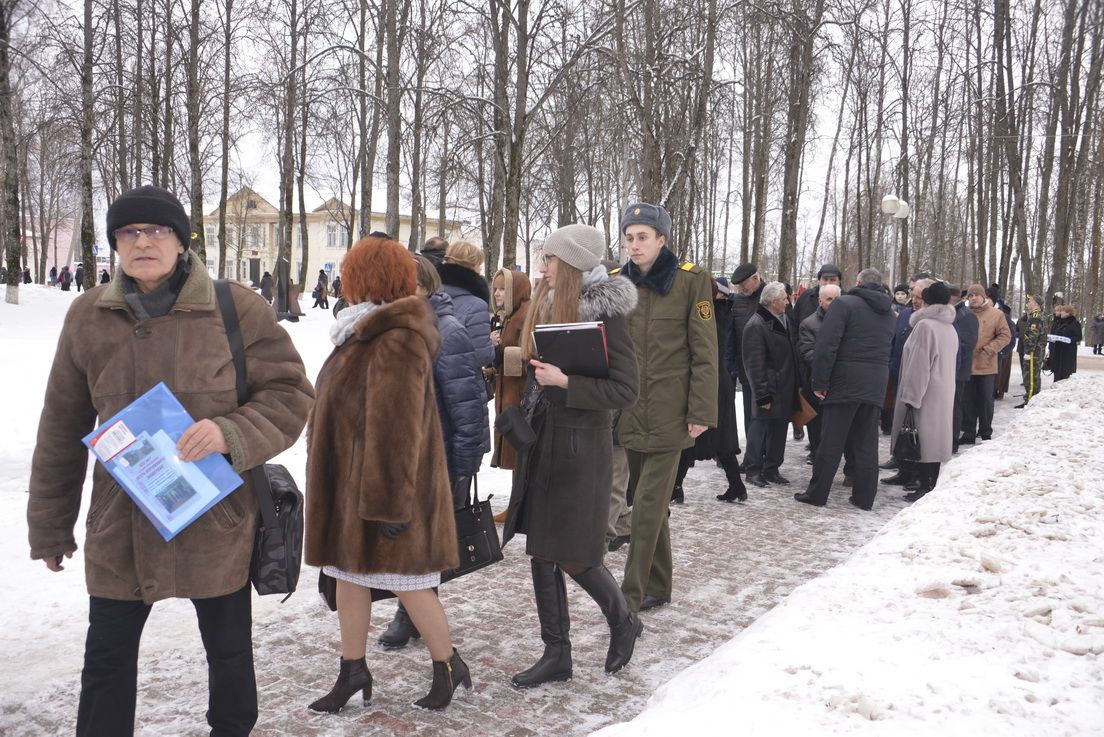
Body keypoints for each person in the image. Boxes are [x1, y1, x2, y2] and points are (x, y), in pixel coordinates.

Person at [27, 184, 315, 737]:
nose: (142, 242)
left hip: (216, 517)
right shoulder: (87, 316)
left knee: (229, 656)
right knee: (107, 661)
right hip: (121, 521)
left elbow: (290, 394)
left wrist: (231, 431)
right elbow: (61, 426)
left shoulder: (236, 308)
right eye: (128, 232)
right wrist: (49, 526)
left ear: (181, 241)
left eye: (156, 231)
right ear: (115, 242)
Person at [304, 235, 470, 714]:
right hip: (348, 489)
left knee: (410, 583)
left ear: (367, 278)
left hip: (388, 490)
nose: (343, 281)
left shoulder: (397, 337)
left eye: (350, 272)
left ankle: (448, 664)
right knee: (346, 577)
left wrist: (390, 503)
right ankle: (352, 669)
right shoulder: (358, 330)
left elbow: (397, 427)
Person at [502, 223, 642, 687]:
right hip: (545, 443)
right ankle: (556, 653)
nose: (541, 266)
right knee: (541, 551)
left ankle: (624, 621)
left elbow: (625, 389)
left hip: (583, 450)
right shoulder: (548, 303)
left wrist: (566, 383)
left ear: (572, 263)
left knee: (576, 555)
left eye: (549, 259)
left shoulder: (606, 314)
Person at [377, 255, 489, 649]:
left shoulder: (448, 330)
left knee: (424, 548)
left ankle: (413, 618)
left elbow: (467, 406)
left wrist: (462, 465)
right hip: (411, 458)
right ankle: (414, 615)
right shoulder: (398, 328)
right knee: (416, 545)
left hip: (442, 458)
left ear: (422, 287)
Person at [614, 202, 717, 613]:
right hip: (630, 410)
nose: (634, 246)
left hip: (672, 412)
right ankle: (659, 583)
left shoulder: (691, 281)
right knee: (648, 503)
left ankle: (628, 597)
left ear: (661, 239)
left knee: (645, 508)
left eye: (642, 237)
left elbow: (705, 352)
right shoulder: (617, 283)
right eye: (628, 238)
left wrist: (701, 411)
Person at [794, 268, 896, 510]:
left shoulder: (844, 305)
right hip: (875, 383)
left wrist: (820, 382)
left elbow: (826, 347)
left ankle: (817, 494)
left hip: (844, 383)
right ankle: (865, 497)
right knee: (867, 444)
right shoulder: (890, 313)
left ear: (858, 282)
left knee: (830, 442)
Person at [672, 276, 747, 504]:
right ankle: (736, 485)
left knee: (693, 435)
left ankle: (677, 487)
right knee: (718, 437)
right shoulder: (719, 310)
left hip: (709, 380)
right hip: (716, 380)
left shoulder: (710, 311)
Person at [890, 281, 958, 502]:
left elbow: (919, 365)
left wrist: (911, 396)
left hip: (925, 391)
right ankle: (927, 483)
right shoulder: (949, 327)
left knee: (925, 439)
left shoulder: (925, 326)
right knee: (934, 438)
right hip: (943, 389)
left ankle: (926, 486)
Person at [741, 281, 800, 488]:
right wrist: (762, 395)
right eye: (784, 299)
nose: (788, 301)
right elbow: (754, 364)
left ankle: (772, 468)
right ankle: (753, 469)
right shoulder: (756, 325)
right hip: (769, 388)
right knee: (760, 429)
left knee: (780, 429)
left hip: (785, 386)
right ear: (773, 302)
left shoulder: (785, 320)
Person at [489, 266, 533, 472]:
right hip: (509, 393)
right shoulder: (509, 315)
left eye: (503, 289)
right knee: (516, 454)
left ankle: (518, 504)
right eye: (495, 289)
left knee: (521, 454)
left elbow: (530, 354)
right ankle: (516, 503)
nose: (497, 293)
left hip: (520, 394)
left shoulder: (526, 314)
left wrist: (501, 351)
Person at [959, 284, 1011, 444]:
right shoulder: (963, 314)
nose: (973, 298)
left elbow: (1005, 335)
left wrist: (990, 348)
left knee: (986, 400)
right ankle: (968, 432)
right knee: (967, 400)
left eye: (976, 295)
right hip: (966, 364)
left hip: (986, 365)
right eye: (970, 295)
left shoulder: (996, 314)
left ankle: (985, 431)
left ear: (983, 297)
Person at [725, 262, 765, 460]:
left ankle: (766, 460)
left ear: (756, 278)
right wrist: (731, 365)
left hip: (768, 373)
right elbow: (732, 336)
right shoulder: (738, 301)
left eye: (744, 284)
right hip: (746, 371)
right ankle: (752, 458)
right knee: (750, 417)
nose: (742, 289)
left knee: (766, 418)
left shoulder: (771, 297)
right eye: (739, 286)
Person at [798, 283, 841, 463]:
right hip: (815, 384)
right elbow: (808, 354)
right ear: (820, 301)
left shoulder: (848, 321)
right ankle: (817, 458)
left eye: (837, 299)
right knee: (816, 428)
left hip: (840, 384)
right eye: (829, 299)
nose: (833, 303)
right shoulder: (809, 323)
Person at [438, 241, 495, 373]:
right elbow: (482, 356)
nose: (480, 270)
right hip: (464, 382)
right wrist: (491, 343)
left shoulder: (432, 297)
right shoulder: (476, 306)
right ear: (470, 267)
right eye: (478, 265)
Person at [1015, 295, 1046, 407]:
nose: (1028, 303)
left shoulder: (1035, 317)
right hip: (1035, 351)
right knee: (1033, 376)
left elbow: (1032, 336)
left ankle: (1030, 400)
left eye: (1031, 301)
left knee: (1031, 376)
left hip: (1033, 352)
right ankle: (1032, 398)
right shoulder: (1033, 316)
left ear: (1037, 304)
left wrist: (1028, 352)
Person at [793, 263, 842, 328]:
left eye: (832, 280)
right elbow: (793, 323)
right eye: (825, 279)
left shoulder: (846, 299)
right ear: (819, 281)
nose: (828, 283)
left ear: (839, 282)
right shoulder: (805, 297)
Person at [1048, 304, 1081, 381]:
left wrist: (1069, 340)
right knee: (1056, 375)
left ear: (1068, 313)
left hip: (1067, 353)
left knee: (1064, 376)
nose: (1060, 313)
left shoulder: (1074, 323)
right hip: (1057, 352)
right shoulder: (1059, 322)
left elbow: (1078, 337)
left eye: (1062, 311)